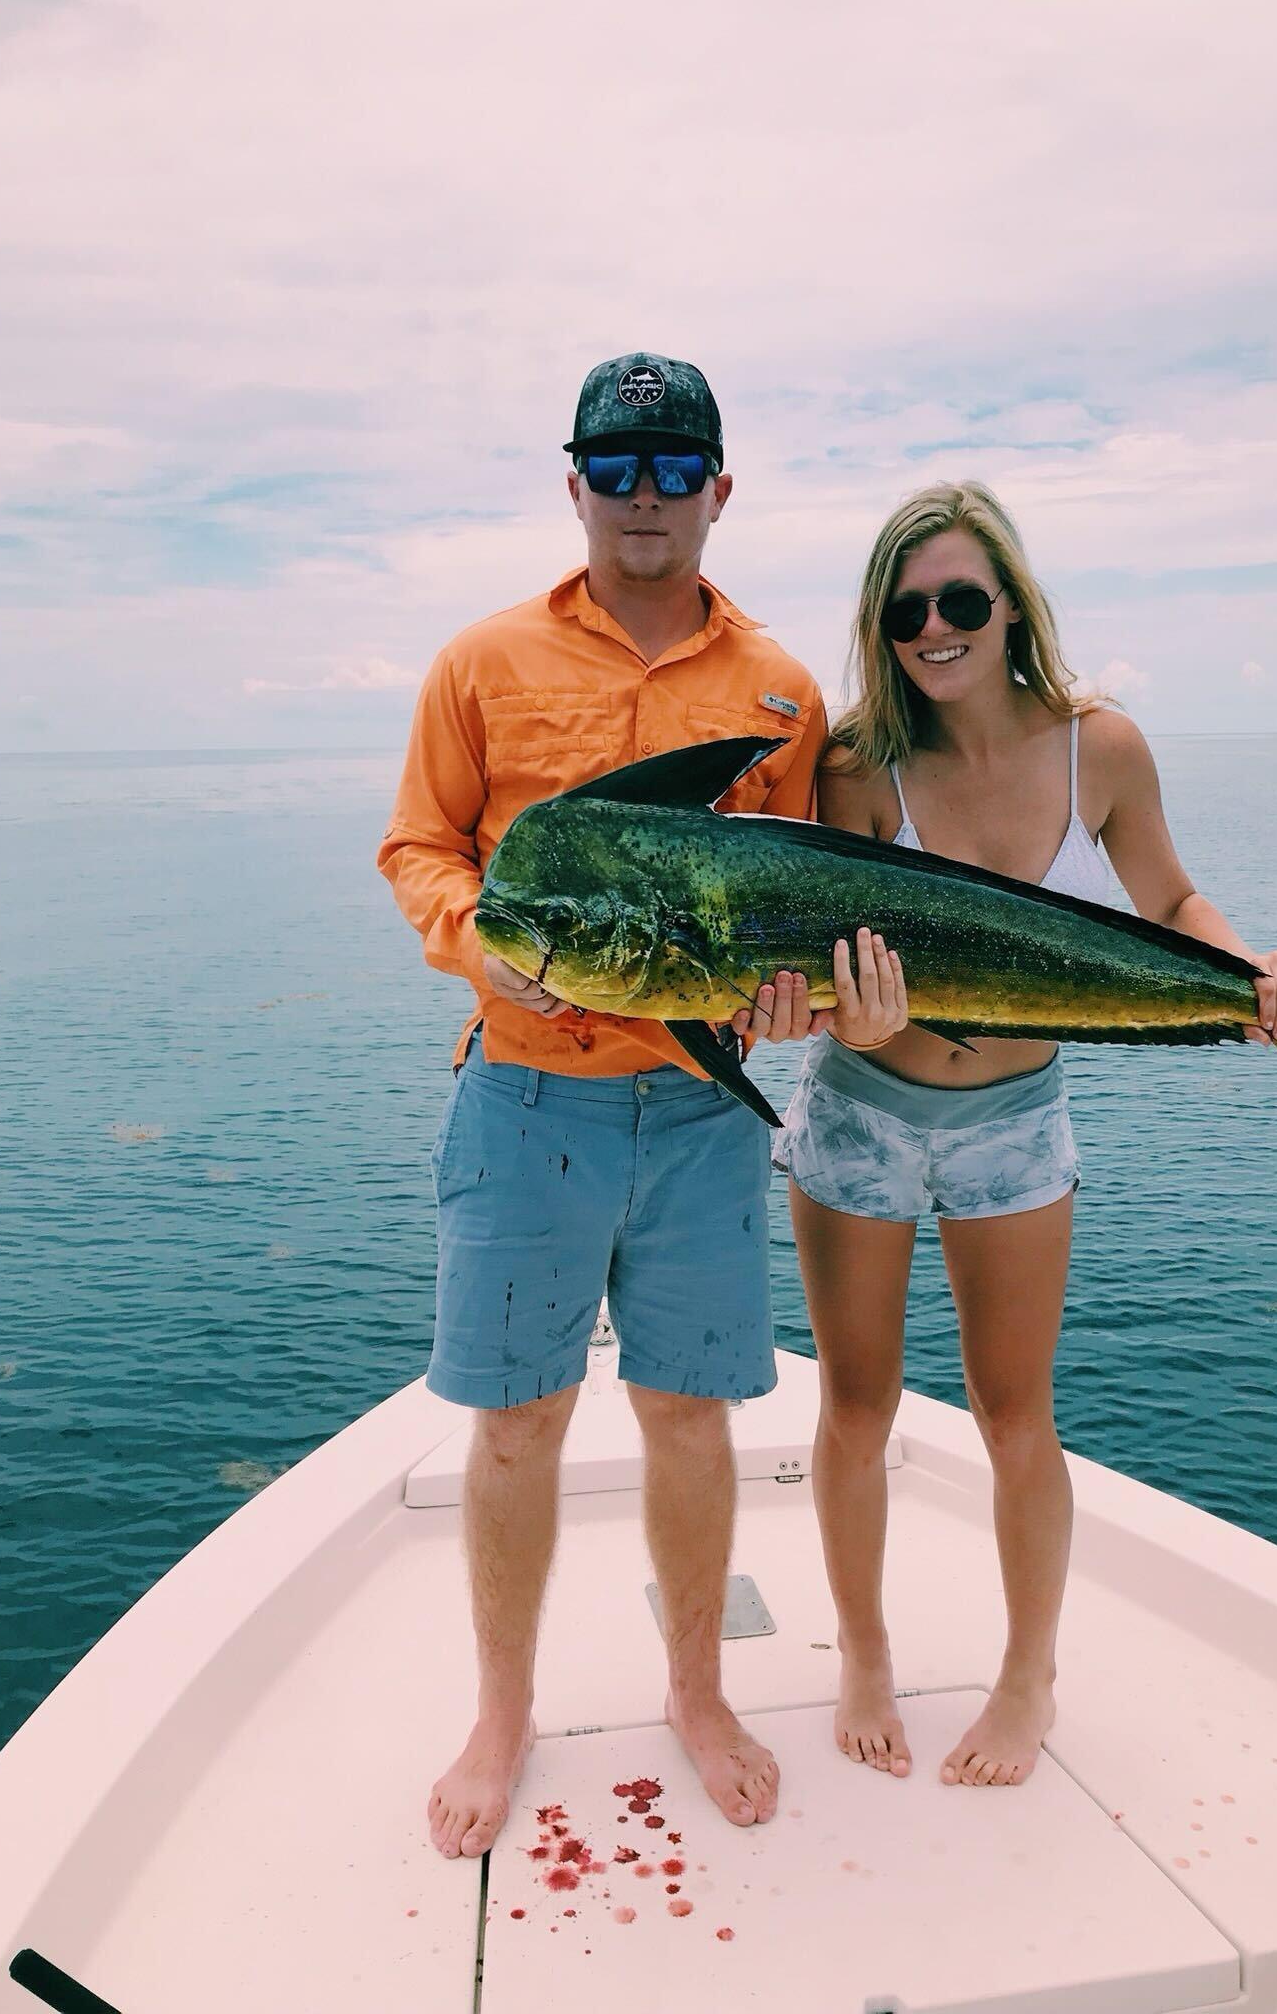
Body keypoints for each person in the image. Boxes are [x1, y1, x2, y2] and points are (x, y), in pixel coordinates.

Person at [377, 353, 907, 1859]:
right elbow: (419, 846)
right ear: (576, 485)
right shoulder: (481, 663)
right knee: (517, 1423)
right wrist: (475, 940)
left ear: (720, 489)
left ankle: (698, 1693)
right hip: (522, 1101)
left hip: (698, 1112)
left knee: (689, 1415)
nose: (646, 496)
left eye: (677, 468)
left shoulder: (781, 690)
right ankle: (502, 1715)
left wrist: (811, 1005)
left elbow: (799, 904)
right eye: (617, 468)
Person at [774, 480, 1277, 1789]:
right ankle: (862, 1654)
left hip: (1017, 1125)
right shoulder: (855, 767)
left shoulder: (1101, 749)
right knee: (854, 1408)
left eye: (963, 599)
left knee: (1017, 1415)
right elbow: (828, 976)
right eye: (907, 611)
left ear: (1012, 603)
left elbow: (1170, 899)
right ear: (880, 627)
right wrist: (844, 1019)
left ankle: (1029, 1679)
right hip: (861, 1114)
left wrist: (1250, 971)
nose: (936, 629)